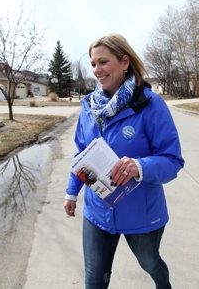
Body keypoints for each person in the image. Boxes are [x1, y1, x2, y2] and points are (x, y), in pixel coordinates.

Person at [63, 33, 184, 289]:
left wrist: (139, 167)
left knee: (151, 265)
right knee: (94, 280)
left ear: (125, 61)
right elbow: (81, 153)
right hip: (97, 212)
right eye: (93, 63)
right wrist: (72, 192)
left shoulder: (151, 104)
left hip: (141, 214)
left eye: (103, 62)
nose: (97, 70)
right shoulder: (88, 106)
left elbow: (172, 160)